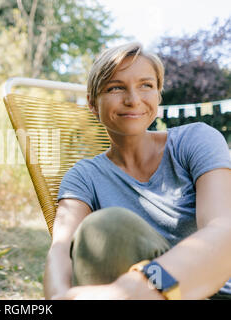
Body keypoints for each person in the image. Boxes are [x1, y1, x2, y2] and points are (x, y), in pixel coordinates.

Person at [43, 42, 231, 300]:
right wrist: (60, 297)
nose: (133, 100)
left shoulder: (196, 140)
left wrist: (138, 288)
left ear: (158, 95)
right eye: (116, 87)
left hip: (210, 290)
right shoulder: (83, 177)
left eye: (146, 85)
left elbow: (224, 229)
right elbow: (61, 249)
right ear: (92, 103)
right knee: (105, 229)